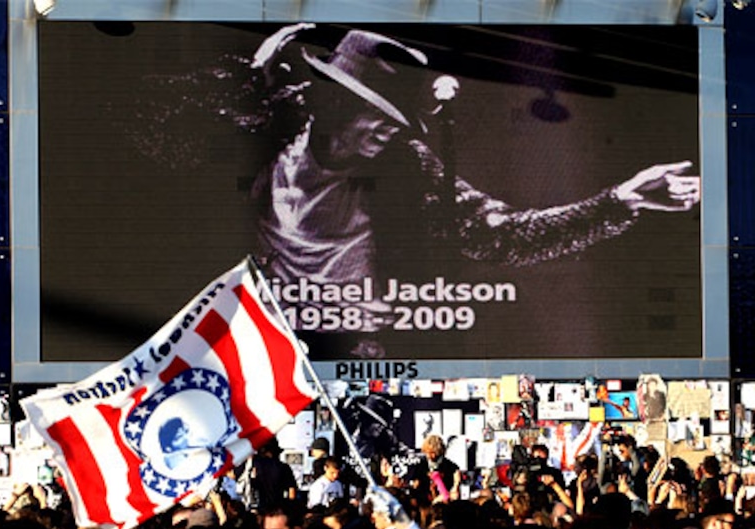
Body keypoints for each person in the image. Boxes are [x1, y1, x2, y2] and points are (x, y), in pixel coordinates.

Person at [237, 24, 701, 358]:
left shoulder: (406, 167)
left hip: (358, 351)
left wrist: (621, 200)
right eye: (375, 111)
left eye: (396, 117)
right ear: (336, 99)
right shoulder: (275, 127)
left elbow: (499, 235)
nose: (388, 129)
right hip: (268, 342)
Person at [250, 438, 298, 514]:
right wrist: (290, 509)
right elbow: (292, 491)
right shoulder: (283, 467)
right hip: (278, 509)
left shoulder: (253, 467)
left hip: (258, 509)